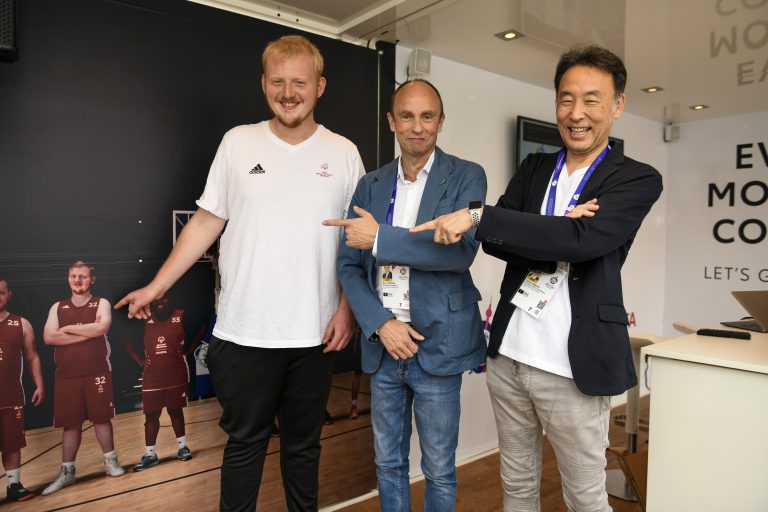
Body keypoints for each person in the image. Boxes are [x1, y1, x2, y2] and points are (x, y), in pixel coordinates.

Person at [115, 34, 363, 511]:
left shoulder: (345, 153)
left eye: (299, 83)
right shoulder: (238, 142)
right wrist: (156, 286)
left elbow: (356, 239)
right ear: (264, 84)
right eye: (278, 82)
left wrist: (347, 309)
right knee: (245, 447)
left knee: (303, 448)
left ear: (319, 86)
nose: (288, 93)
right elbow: (206, 222)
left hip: (315, 334)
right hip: (245, 332)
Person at [412, 45, 663, 511]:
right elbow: (498, 242)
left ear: (618, 105)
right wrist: (559, 228)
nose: (576, 113)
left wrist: (493, 218)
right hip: (509, 357)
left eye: (591, 99)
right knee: (518, 486)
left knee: (585, 498)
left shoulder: (636, 178)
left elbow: (584, 242)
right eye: (566, 99)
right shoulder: (535, 168)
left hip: (573, 368)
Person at [325, 79, 487, 511]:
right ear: (391, 121)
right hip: (385, 346)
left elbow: (460, 252)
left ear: (441, 121)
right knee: (388, 463)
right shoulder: (370, 185)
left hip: (438, 344)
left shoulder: (467, 176)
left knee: (439, 469)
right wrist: (381, 323)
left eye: (427, 116)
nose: (417, 126)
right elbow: (349, 264)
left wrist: (379, 239)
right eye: (407, 116)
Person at [42, 261, 124, 496]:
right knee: (71, 424)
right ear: (68, 278)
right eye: (73, 276)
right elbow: (49, 338)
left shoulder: (102, 303)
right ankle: (67, 472)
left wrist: (67, 329)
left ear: (92, 279)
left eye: (83, 276)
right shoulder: (57, 307)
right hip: (66, 376)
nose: (77, 280)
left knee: (101, 419)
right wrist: (88, 332)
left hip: (97, 372)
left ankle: (111, 462)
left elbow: (101, 328)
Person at [123, 297, 203, 472]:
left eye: (163, 299)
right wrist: (139, 359)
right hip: (152, 376)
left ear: (170, 299)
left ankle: (183, 447)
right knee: (151, 415)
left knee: (175, 411)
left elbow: (202, 326)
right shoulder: (144, 319)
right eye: (156, 300)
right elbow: (126, 338)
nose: (159, 303)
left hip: (176, 373)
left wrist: (190, 348)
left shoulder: (181, 315)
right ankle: (150, 455)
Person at [0, 279, 44, 503]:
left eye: (1, 292)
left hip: (11, 396)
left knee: (11, 443)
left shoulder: (21, 324)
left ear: (9, 294)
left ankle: (14, 485)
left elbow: (32, 356)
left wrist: (39, 384)